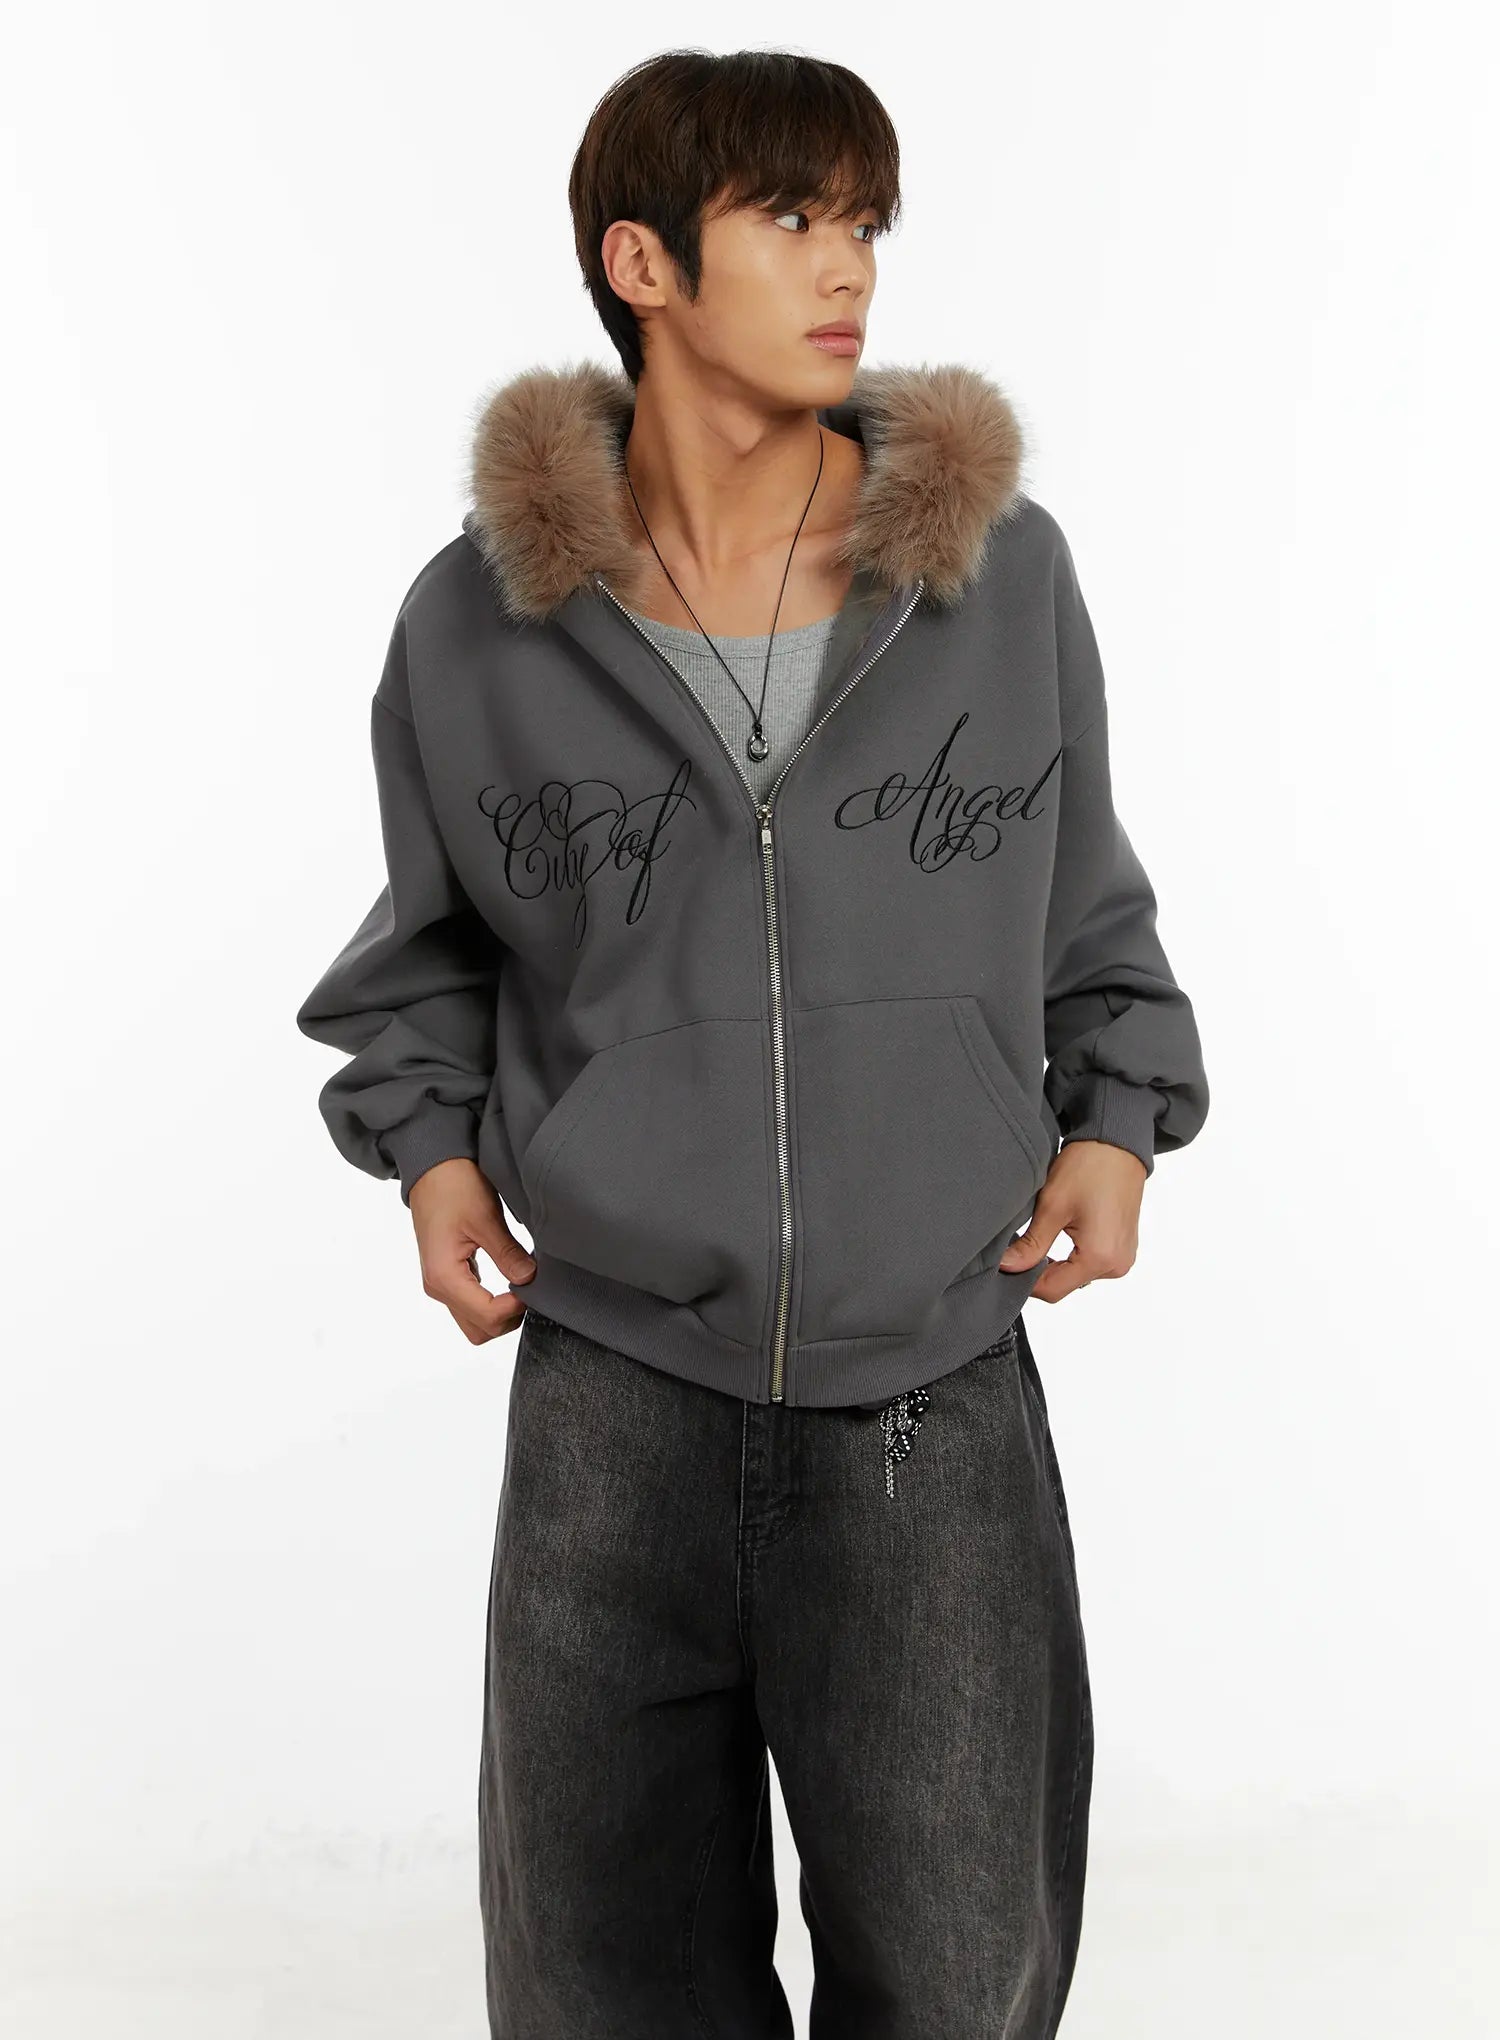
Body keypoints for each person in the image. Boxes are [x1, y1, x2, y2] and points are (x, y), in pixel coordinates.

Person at [295, 46, 1210, 2040]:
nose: (849, 265)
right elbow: (428, 952)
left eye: (865, 219)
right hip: (612, 1402)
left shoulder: (998, 582)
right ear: (643, 263)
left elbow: (1090, 908)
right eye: (792, 218)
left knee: (958, 1983)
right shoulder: (475, 627)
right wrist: (433, 1159)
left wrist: (1119, 1121)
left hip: (928, 1394)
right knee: (604, 1984)